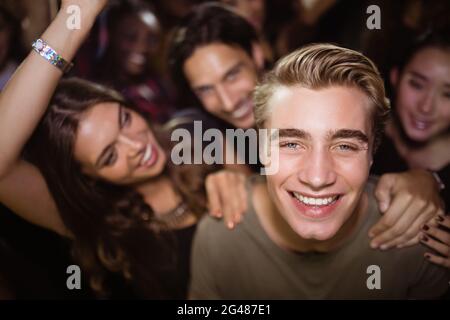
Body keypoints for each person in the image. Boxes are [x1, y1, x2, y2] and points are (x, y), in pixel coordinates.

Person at [0, 0, 247, 299]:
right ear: (87, 175)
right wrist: (76, 15)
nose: (136, 146)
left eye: (125, 119)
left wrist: (240, 185)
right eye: (110, 155)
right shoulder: (97, 224)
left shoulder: (193, 134)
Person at [167, 2, 444, 245]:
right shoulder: (210, 131)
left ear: (255, 53)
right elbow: (181, 127)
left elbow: (389, 168)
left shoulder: (322, 89)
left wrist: (425, 180)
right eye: (205, 89)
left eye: (232, 75)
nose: (227, 102)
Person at [190, 44, 450, 299]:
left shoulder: (416, 236)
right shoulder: (220, 236)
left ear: (373, 152)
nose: (317, 177)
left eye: (345, 146)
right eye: (291, 144)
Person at [371, 28, 450, 268]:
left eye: (448, 95)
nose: (426, 107)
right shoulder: (360, 133)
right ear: (395, 77)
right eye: (416, 84)